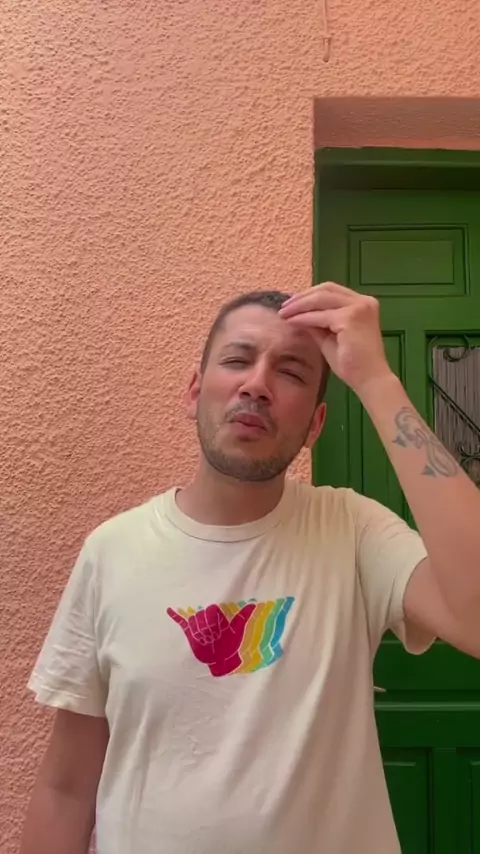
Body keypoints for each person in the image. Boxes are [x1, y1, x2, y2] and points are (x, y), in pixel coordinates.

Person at [21, 282, 480, 854]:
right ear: (194, 392)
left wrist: (378, 382)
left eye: (290, 372)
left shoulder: (353, 530)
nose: (257, 384)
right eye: (238, 360)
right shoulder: (111, 552)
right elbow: (66, 789)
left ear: (315, 426)